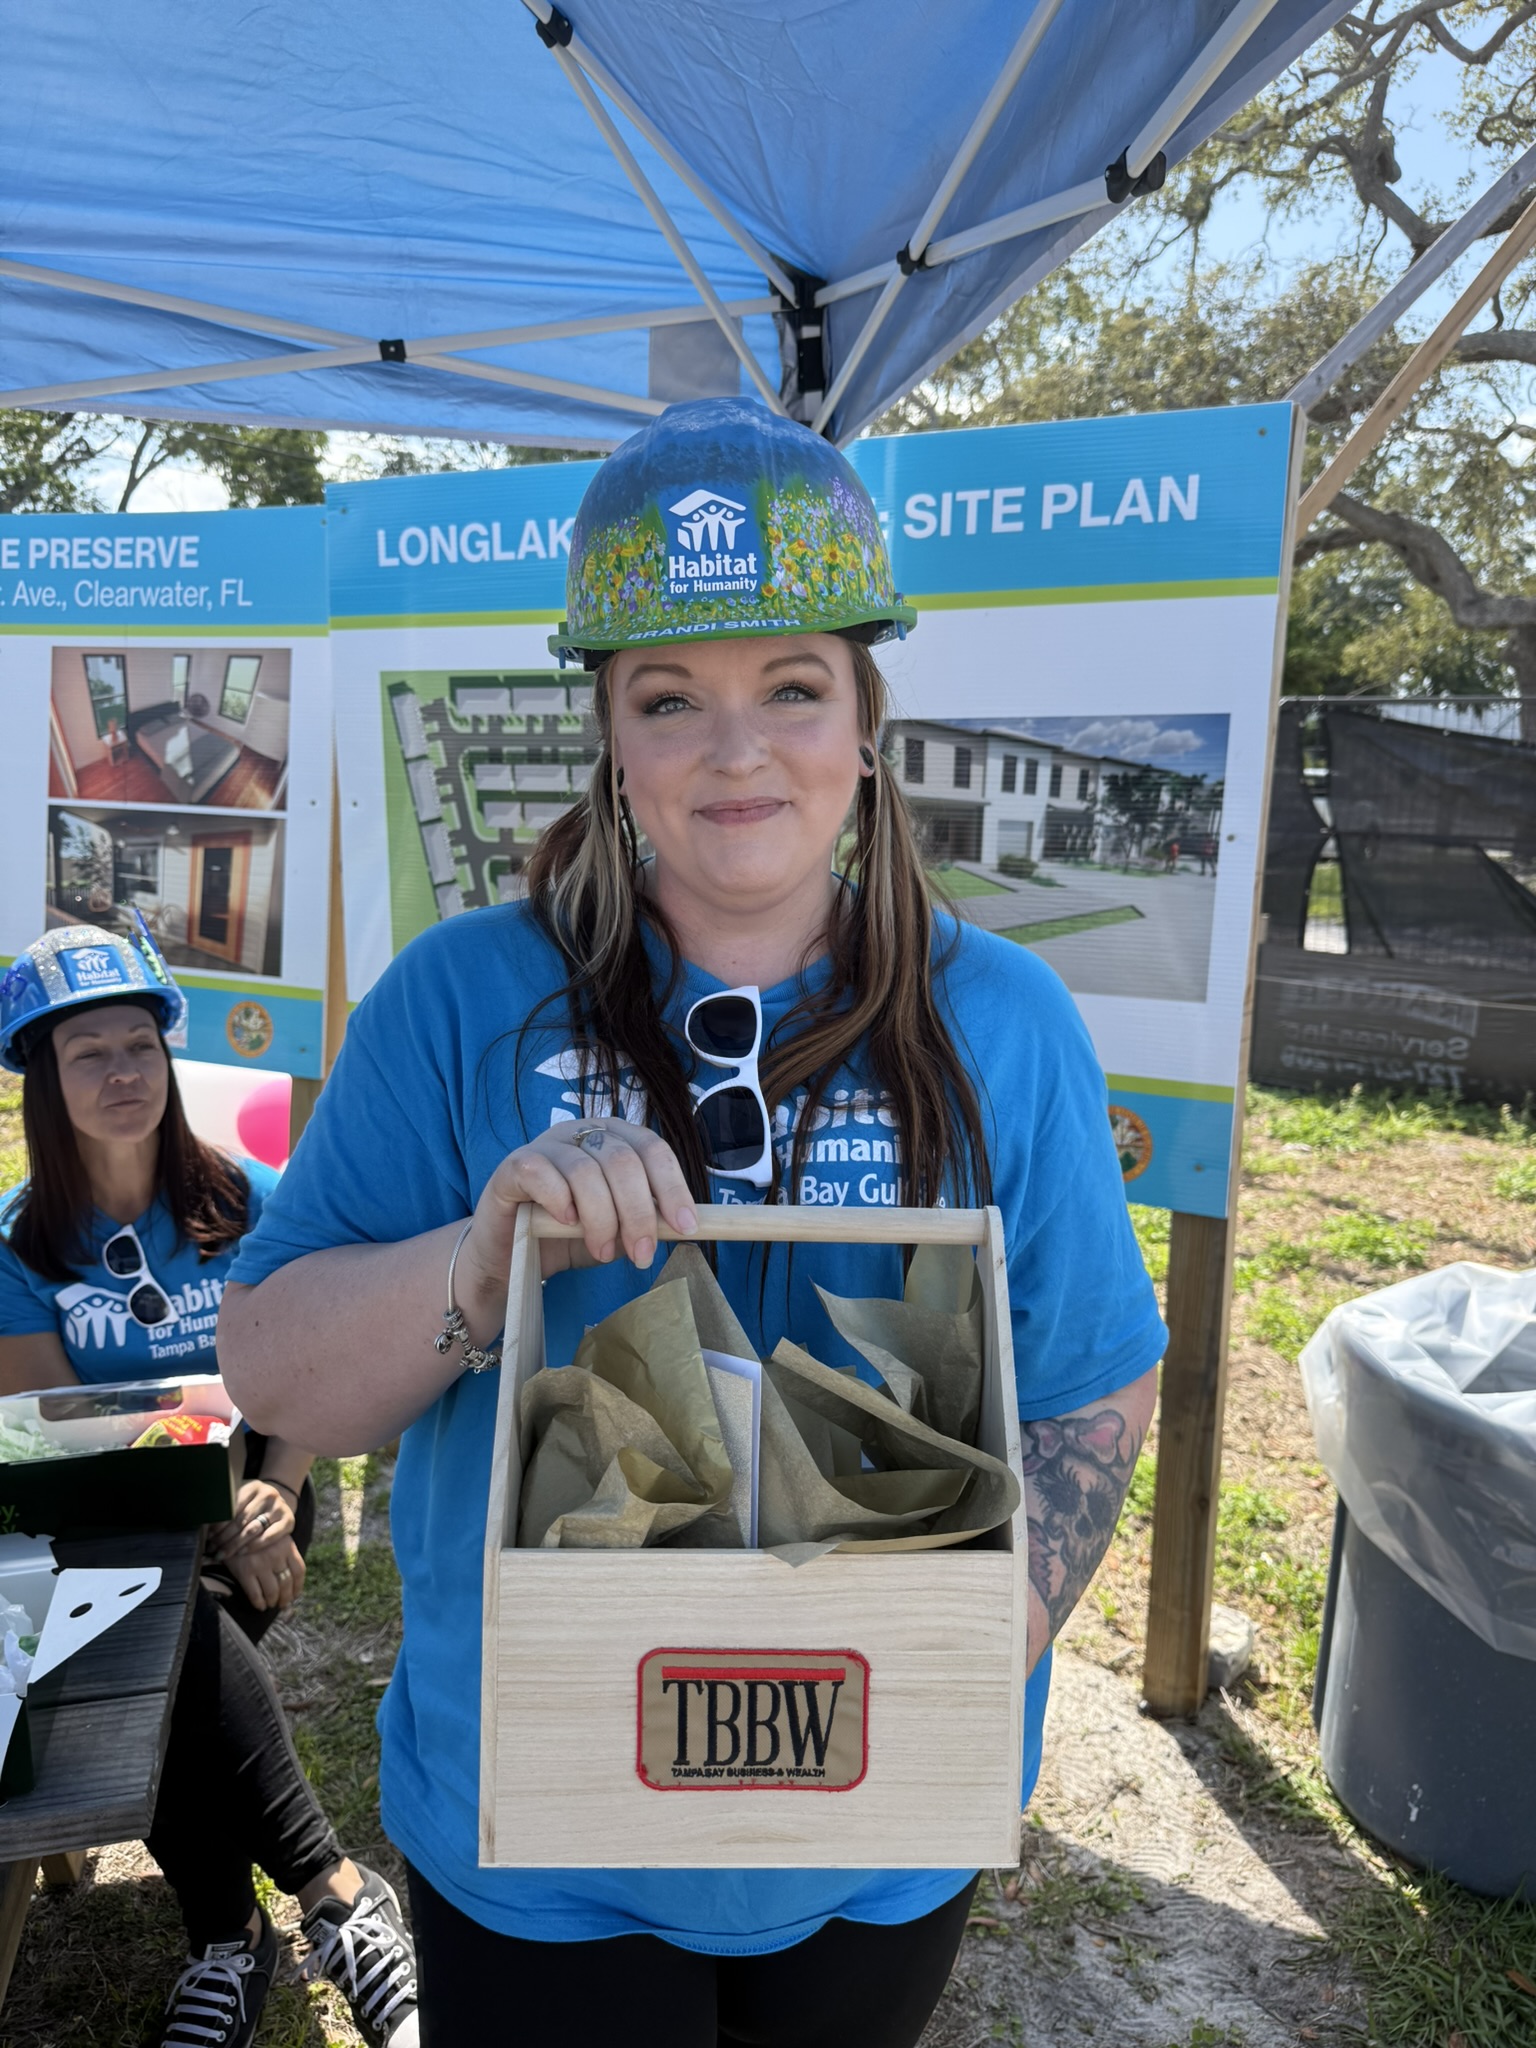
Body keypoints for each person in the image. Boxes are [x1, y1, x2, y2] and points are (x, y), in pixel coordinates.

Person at [220, 397, 1164, 2048]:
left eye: (792, 687)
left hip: (875, 1835)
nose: (738, 754)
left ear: (863, 717)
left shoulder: (1003, 1020)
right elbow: (277, 1373)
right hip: (538, 1828)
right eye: (671, 700)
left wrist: (950, 1661)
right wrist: (479, 1263)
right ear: (611, 733)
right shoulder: (459, 1000)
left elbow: (1091, 1380)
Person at [0, 924, 419, 2048]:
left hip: (253, 1505)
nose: (123, 1071)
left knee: (162, 1652)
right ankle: (330, 1892)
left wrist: (274, 1487)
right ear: (43, 1077)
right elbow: (58, 1442)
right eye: (89, 1052)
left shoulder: (251, 1196)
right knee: (159, 1634)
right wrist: (201, 1513)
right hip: (107, 1530)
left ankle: (230, 1941)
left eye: (140, 1044)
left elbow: (304, 1363)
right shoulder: (19, 1246)